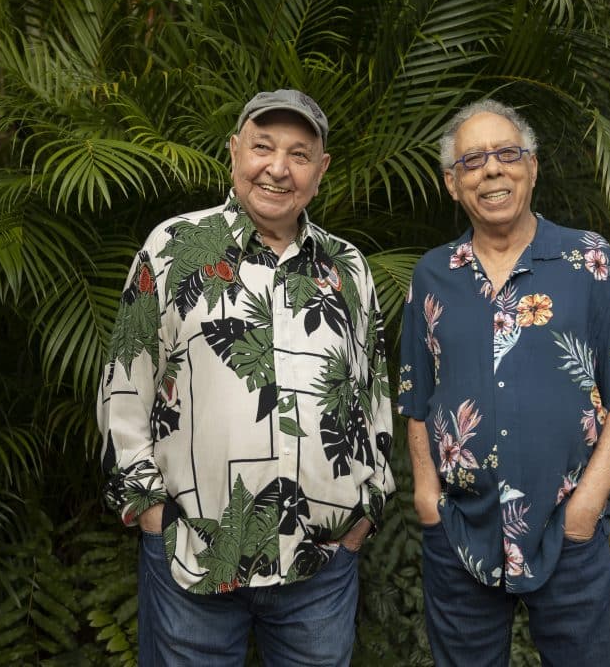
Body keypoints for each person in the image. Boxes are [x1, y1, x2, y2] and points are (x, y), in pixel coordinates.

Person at [97, 89, 395, 666]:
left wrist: (363, 515)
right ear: (235, 150)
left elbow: (373, 396)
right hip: (193, 557)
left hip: (321, 567)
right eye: (262, 147)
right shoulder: (175, 249)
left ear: (321, 169)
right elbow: (124, 388)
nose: (277, 168)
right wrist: (151, 515)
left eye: (299, 154)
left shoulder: (348, 268)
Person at [398, 98, 610, 666]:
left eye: (507, 154)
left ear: (532, 167)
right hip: (461, 529)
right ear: (452, 183)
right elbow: (416, 398)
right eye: (472, 161)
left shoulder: (590, 260)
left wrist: (585, 508)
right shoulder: (432, 275)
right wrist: (427, 498)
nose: (492, 169)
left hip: (569, 533)